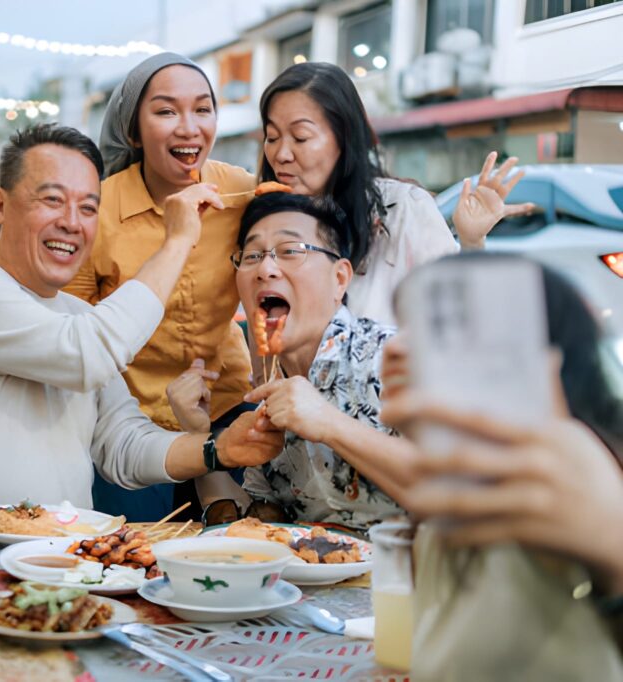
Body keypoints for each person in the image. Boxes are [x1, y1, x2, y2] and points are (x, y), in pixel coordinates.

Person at [0, 124, 285, 520]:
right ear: (0, 206)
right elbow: (87, 353)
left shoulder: (80, 318)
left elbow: (123, 444)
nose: (71, 222)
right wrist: (178, 240)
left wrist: (219, 449)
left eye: (88, 208)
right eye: (52, 200)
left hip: (55, 565)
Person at [379, 252, 623, 647]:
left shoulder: (583, 487)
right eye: (403, 327)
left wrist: (615, 555)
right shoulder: (456, 497)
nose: (393, 349)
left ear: (544, 358)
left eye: (439, 330)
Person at [63, 52, 256, 520]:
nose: (189, 127)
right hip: (131, 426)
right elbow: (71, 332)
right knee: (131, 561)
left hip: (228, 408)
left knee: (235, 556)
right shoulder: (99, 211)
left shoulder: (241, 193)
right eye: (166, 111)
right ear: (133, 130)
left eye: (203, 109)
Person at [172, 190, 419, 531]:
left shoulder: (397, 357)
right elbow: (257, 520)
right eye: (252, 255)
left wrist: (329, 422)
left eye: (290, 251)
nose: (266, 269)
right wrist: (199, 435)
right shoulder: (271, 392)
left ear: (339, 279)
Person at [258, 61, 530, 325]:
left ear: (345, 137)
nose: (281, 155)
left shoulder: (401, 208)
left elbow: (457, 313)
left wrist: (471, 243)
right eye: (272, 137)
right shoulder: (265, 220)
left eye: (301, 137)